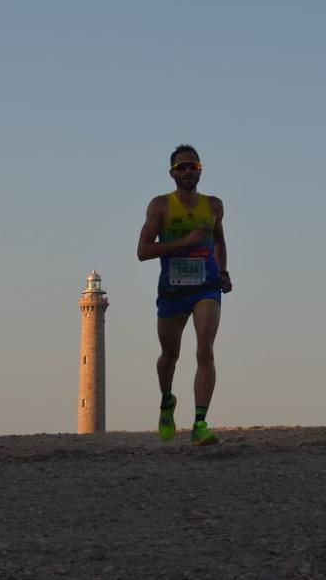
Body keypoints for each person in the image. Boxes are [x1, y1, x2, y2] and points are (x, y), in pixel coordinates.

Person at [136, 145, 233, 446]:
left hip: (206, 287)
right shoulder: (160, 206)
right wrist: (184, 242)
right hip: (173, 290)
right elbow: (143, 251)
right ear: (173, 173)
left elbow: (219, 241)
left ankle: (200, 423)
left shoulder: (214, 206)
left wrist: (223, 272)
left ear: (200, 170)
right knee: (169, 357)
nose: (188, 171)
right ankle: (167, 402)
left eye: (193, 166)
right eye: (182, 167)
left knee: (205, 348)